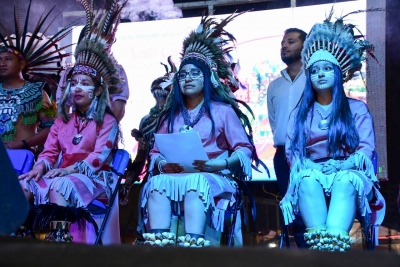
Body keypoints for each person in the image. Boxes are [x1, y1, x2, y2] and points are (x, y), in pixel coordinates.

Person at [140, 13, 260, 247]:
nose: (187, 79)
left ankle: (194, 247)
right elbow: (155, 152)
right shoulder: (171, 116)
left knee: (197, 182)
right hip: (178, 175)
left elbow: (244, 149)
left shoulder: (222, 111)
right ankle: (159, 247)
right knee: (155, 184)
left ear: (207, 79)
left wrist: (220, 164)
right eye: (183, 74)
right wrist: (163, 164)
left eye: (195, 73)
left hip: (214, 176)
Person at [18, 0, 126, 244]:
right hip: (61, 173)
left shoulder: (107, 120)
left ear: (98, 91)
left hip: (95, 178)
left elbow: (97, 158)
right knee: (22, 185)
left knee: (61, 186)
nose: (77, 88)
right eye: (74, 82)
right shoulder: (63, 120)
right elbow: (49, 152)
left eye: (85, 83)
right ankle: (18, 244)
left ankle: (64, 245)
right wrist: (38, 168)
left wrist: (68, 170)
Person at [279, 9, 385, 252]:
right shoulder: (300, 113)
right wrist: (311, 167)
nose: (320, 74)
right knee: (305, 179)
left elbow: (365, 148)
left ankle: (335, 247)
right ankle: (321, 250)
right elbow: (293, 151)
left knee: (345, 181)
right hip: (312, 170)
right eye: (314, 70)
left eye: (326, 68)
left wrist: (342, 166)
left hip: (349, 171)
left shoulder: (357, 109)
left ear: (338, 73)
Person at [0, 0, 73, 152]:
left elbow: (52, 128)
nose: (2, 63)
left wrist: (23, 144)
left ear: (21, 64)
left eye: (8, 59)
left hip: (21, 158)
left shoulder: (39, 92)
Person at [266, 28, 308, 247]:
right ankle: (301, 257)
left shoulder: (314, 77)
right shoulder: (274, 85)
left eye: (291, 41)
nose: (284, 46)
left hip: (309, 153)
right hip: (282, 155)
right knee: (292, 211)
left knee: (311, 210)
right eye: (283, 42)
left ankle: (317, 260)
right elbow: (274, 121)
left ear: (304, 45)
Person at [120, 57, 176, 205]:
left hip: (180, 179)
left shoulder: (181, 118)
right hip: (153, 178)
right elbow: (141, 157)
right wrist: (128, 183)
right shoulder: (146, 121)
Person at [56, 29, 129, 122]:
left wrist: (100, 131)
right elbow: (61, 112)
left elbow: (119, 112)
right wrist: (68, 132)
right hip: (76, 129)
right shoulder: (69, 73)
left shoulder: (117, 72)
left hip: (104, 129)